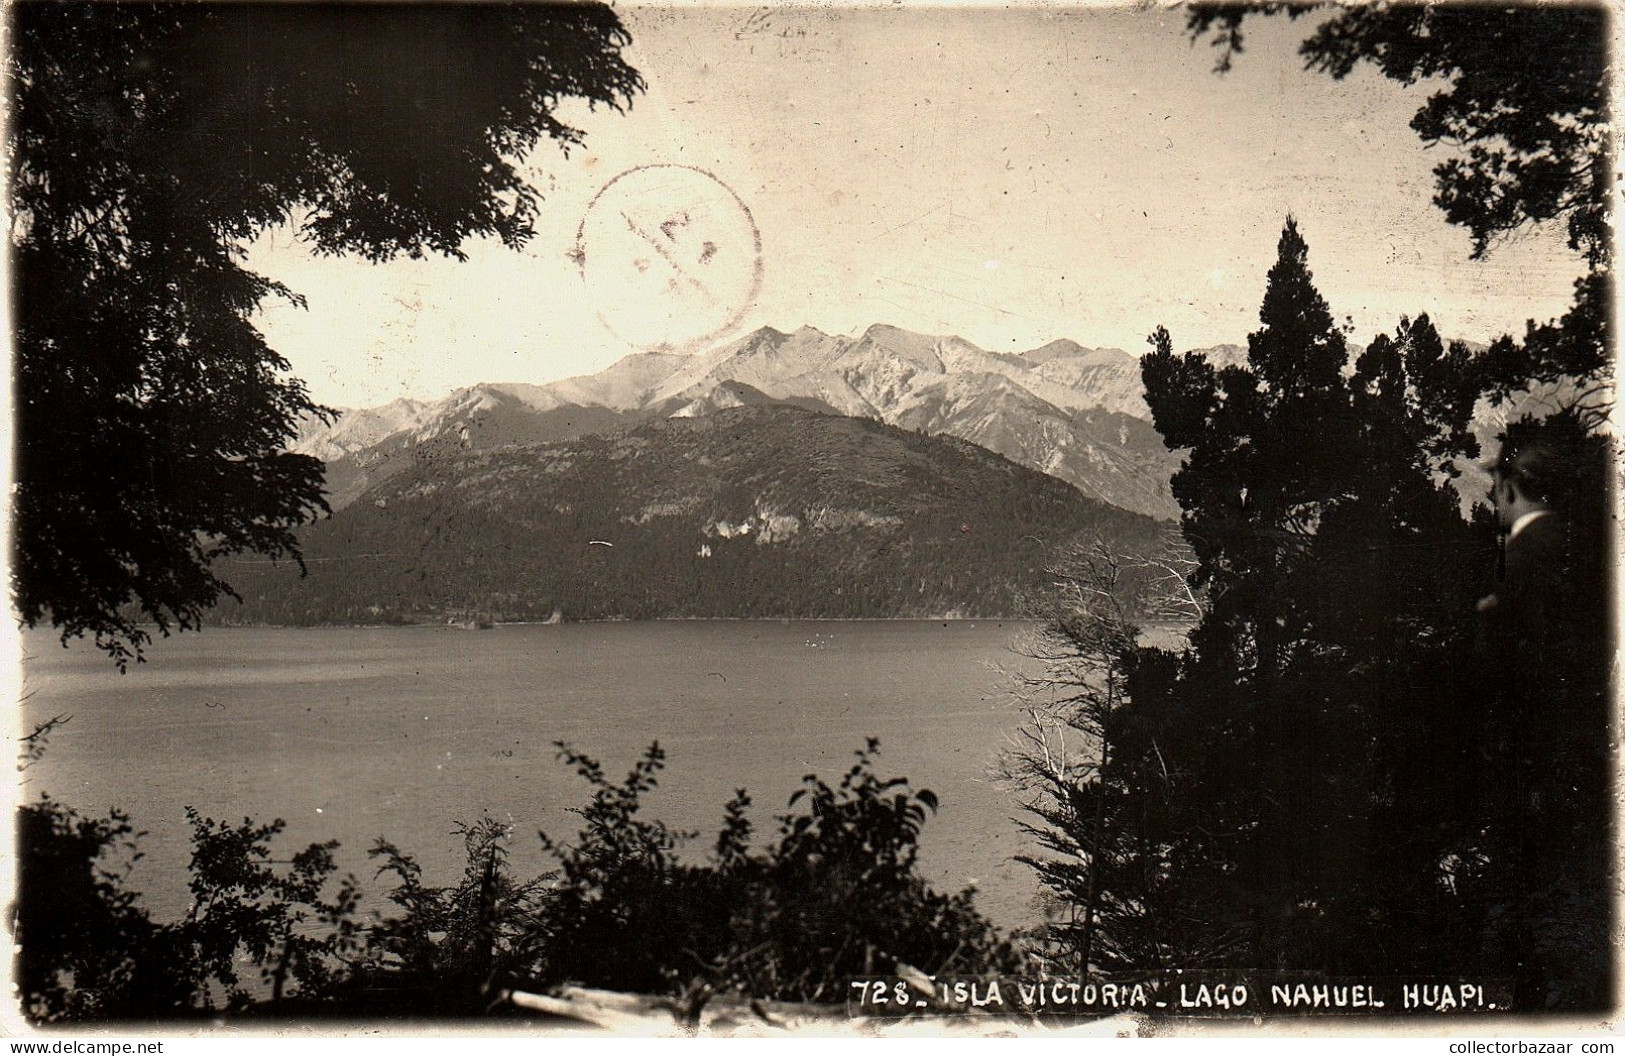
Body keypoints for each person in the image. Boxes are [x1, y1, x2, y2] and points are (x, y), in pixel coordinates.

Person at [1477, 414, 1613, 1010]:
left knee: (1532, 867)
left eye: (1496, 494)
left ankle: (1532, 988)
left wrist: (1490, 618)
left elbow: (1527, 653)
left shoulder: (1531, 549)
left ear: (1510, 490)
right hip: (1577, 731)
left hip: (1539, 737)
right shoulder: (1575, 544)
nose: (1494, 506)